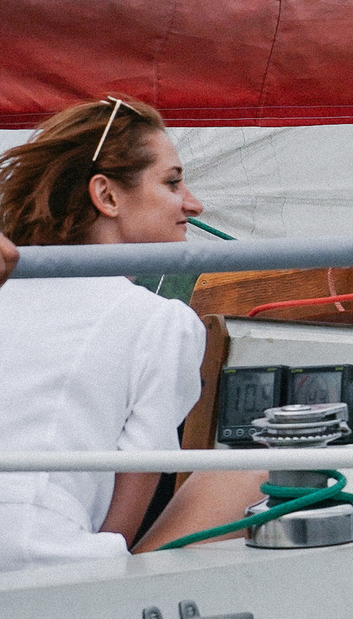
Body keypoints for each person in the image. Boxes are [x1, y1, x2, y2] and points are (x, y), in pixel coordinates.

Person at [0, 98, 262, 573]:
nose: (193, 203)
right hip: (40, 558)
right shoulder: (161, 321)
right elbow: (120, 527)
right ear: (108, 196)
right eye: (172, 181)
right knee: (246, 471)